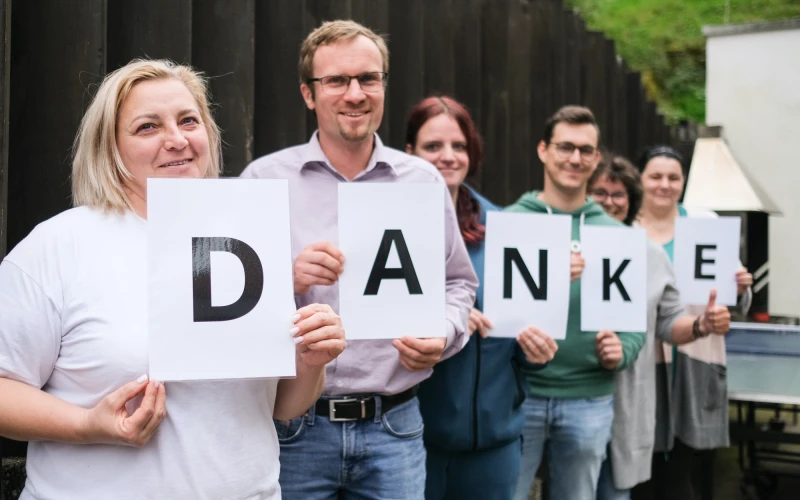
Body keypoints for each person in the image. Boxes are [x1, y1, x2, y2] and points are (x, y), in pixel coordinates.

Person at [0, 59, 346, 500]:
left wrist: (312, 359)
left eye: (188, 120)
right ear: (110, 148)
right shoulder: (61, 245)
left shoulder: (245, 238)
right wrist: (87, 425)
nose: (177, 140)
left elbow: (281, 406)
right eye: (148, 127)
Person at [240, 21, 478, 500]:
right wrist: (285, 279)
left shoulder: (423, 182)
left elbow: (458, 284)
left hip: (395, 425)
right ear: (309, 94)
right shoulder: (262, 180)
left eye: (369, 78)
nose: (355, 93)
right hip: (294, 429)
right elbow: (223, 305)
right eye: (337, 81)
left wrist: (444, 333)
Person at [405, 95, 558, 500]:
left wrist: (535, 351)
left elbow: (524, 333)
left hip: (495, 442)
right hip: (412, 438)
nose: (448, 157)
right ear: (409, 154)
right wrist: (448, 314)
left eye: (459, 146)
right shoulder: (390, 227)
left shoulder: (509, 230)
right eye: (432, 146)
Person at [509, 106, 646, 500]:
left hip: (590, 398)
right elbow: (492, 310)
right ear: (543, 151)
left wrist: (623, 350)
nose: (575, 158)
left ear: (597, 158)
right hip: (521, 395)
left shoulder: (617, 233)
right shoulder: (511, 221)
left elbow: (634, 324)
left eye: (585, 150)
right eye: (565, 147)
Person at [587, 155, 732, 500]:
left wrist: (701, 324)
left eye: (619, 194)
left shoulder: (653, 254)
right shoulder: (567, 249)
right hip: (571, 392)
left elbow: (669, 322)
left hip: (635, 389)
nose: (610, 201)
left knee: (630, 486)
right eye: (601, 193)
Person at [631, 145, 753, 500]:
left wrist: (742, 286)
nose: (664, 185)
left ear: (683, 182)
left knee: (679, 473)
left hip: (695, 361)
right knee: (640, 475)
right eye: (655, 176)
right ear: (640, 179)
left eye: (673, 177)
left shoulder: (706, 225)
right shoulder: (624, 227)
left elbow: (737, 301)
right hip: (641, 364)